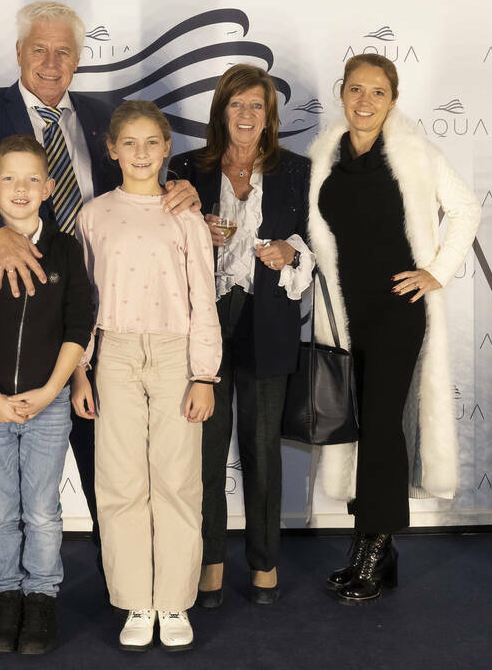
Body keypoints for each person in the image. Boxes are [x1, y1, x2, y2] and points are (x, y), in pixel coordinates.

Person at [0, 1, 200, 559]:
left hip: (106, 315)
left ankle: (125, 578)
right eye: (40, 49)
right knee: (22, 487)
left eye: (64, 52)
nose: (51, 62)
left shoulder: (105, 114)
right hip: (20, 324)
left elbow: (138, 178)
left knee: (116, 461)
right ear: (18, 52)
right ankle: (30, 583)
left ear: (79, 59)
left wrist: (181, 188)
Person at [306, 54, 480, 605]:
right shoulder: (324, 154)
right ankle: (375, 547)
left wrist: (437, 272)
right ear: (342, 93)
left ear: (394, 99)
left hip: (397, 310)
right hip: (344, 312)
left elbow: (467, 209)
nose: (365, 101)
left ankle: (374, 548)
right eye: (356, 89)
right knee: (359, 425)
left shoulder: (415, 152)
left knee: (381, 426)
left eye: (377, 92)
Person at [70, 101, 220, 651]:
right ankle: (136, 599)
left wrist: (204, 375)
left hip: (176, 355)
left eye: (151, 142)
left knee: (177, 480)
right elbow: (84, 302)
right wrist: (81, 370)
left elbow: (203, 297)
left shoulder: (186, 216)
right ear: (111, 149)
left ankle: (174, 600)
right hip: (114, 354)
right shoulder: (93, 216)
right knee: (120, 480)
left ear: (167, 149)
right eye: (129, 143)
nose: (140, 153)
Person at [167, 64, 312, 607]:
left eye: (256, 105)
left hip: (269, 320)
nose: (247, 114)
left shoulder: (297, 171)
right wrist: (193, 232)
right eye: (236, 104)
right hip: (205, 321)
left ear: (269, 116)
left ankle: (264, 561)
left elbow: (317, 243)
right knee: (206, 450)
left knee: (262, 447)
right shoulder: (187, 169)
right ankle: (209, 560)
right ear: (220, 112)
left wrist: (292, 252)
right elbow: (160, 245)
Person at [0, 135, 93, 655]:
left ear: (49, 187)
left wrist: (53, 389)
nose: (21, 188)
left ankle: (41, 596)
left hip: (48, 406)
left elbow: (79, 324)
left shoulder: (66, 251)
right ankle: (6, 595)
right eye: (9, 178)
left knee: (42, 511)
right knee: (0, 511)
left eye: (33, 178)